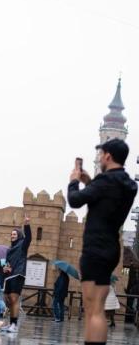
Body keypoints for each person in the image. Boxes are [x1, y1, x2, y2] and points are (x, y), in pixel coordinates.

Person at [68, 138, 137, 345]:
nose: (99, 157)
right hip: (110, 248)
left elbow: (75, 200)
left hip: (95, 249)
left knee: (94, 309)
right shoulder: (128, 184)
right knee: (98, 307)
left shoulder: (105, 181)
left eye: (101, 154)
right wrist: (90, 182)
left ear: (107, 156)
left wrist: (73, 180)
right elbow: (105, 199)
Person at [0, 216, 31, 334]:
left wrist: (27, 225)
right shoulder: (10, 249)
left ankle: (14, 324)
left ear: (19, 235)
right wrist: (5, 268)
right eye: (11, 235)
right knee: (7, 299)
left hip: (18, 274)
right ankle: (11, 323)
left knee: (14, 298)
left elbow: (29, 238)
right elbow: (8, 262)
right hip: (9, 276)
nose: (12, 236)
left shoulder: (23, 244)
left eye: (14, 234)